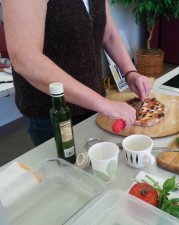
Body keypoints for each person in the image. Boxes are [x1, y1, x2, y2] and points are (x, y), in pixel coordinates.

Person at [1, 0, 152, 146]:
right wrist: (104, 104)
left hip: (94, 103)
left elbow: (109, 34)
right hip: (53, 113)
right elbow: (25, 59)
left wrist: (130, 72)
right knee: (65, 170)